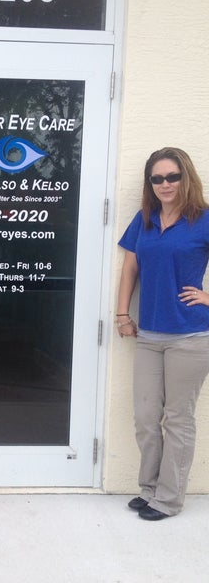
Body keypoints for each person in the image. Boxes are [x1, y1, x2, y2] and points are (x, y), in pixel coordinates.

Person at [116, 147, 209, 521]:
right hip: (149, 334)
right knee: (145, 417)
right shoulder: (145, 219)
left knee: (178, 419)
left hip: (190, 336)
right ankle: (150, 489)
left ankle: (169, 500)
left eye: (172, 176)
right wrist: (122, 314)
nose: (165, 184)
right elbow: (130, 269)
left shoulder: (203, 219)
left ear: (186, 177)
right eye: (157, 178)